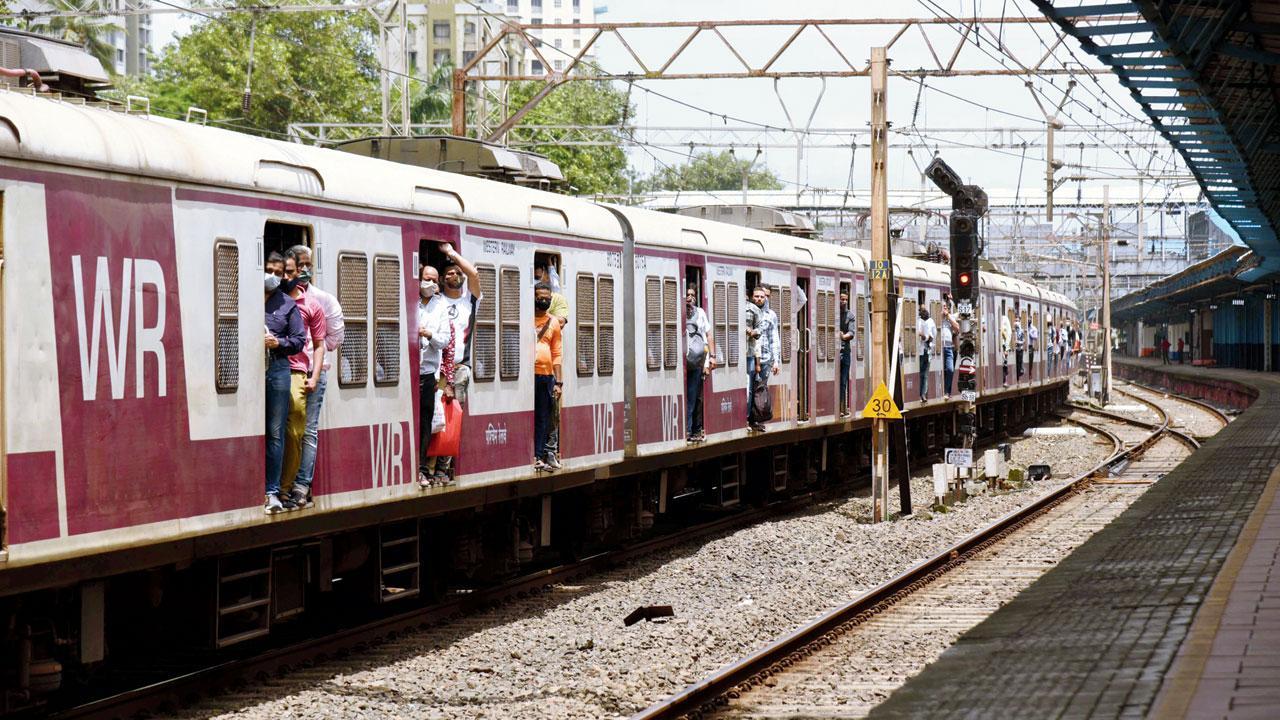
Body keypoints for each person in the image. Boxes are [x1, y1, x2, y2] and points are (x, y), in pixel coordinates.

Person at [283, 245, 343, 509]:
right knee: (287, 429)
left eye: (309, 264)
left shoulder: (322, 300)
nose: (305, 270)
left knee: (307, 429)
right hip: (286, 370)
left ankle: (301, 484)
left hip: (313, 372)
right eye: (301, 265)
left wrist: (313, 353)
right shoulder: (283, 298)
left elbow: (334, 337)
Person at [277, 254, 326, 507]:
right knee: (278, 431)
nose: (285, 277)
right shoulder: (271, 301)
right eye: (282, 272)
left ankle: (292, 486)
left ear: (298, 273)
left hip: (299, 372)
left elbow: (320, 344)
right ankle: (279, 488)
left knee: (298, 431)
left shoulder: (313, 305)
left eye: (289, 272)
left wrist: (315, 376)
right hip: (276, 369)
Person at [433, 243, 482, 479]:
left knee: (452, 417)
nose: (455, 275)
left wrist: (451, 253)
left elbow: (474, 273)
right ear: (442, 280)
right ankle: (429, 465)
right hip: (436, 368)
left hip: (460, 368)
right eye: (449, 273)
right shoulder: (436, 302)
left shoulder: (469, 302)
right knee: (434, 416)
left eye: (457, 272)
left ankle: (443, 466)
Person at [264, 272, 306, 514]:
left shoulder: (287, 304)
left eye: (277, 271)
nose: (271, 275)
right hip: (249, 368)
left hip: (278, 367)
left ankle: (272, 490)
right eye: (268, 268)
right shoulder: (243, 297)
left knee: (276, 431)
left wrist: (278, 343)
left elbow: (299, 340)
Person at [417, 264, 452, 487]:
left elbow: (444, 340)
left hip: (427, 372)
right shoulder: (411, 300)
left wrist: (429, 334)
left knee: (424, 422)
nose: (428, 283)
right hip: (407, 371)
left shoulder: (441, 307)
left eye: (433, 279)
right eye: (425, 278)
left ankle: (421, 468)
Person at [534, 262, 568, 464]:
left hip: (546, 375)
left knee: (544, 417)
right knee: (534, 416)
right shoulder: (525, 318)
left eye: (547, 299)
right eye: (540, 298)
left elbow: (557, 353)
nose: (544, 301)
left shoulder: (553, 322)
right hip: (528, 376)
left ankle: (539, 454)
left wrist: (558, 382)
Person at [745, 286, 780, 432]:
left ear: (766, 298)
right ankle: (748, 419)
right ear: (753, 296)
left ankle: (755, 419)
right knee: (749, 389)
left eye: (763, 296)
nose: (760, 299)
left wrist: (776, 360)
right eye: (757, 296)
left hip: (765, 358)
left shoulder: (771, 315)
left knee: (759, 390)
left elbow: (774, 339)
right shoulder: (749, 312)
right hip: (751, 355)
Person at [684, 284, 716, 442]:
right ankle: (689, 430)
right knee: (689, 397)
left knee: (693, 396)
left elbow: (708, 336)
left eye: (691, 294)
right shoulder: (677, 310)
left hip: (696, 361)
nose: (689, 297)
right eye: (686, 295)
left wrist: (711, 357)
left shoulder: (700, 313)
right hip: (681, 362)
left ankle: (690, 430)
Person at [838, 292, 856, 415]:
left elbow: (852, 332)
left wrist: (843, 336)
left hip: (845, 351)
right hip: (835, 351)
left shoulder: (850, 315)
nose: (844, 302)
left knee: (843, 381)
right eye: (842, 299)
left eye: (846, 299)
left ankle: (842, 407)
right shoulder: (833, 313)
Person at [940, 294, 959, 399]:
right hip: (938, 348)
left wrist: (948, 317)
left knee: (950, 369)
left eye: (946, 307)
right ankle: (942, 390)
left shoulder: (950, 317)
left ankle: (948, 391)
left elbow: (957, 328)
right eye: (943, 307)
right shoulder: (937, 317)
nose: (945, 309)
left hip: (948, 347)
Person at [917, 306, 936, 401]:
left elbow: (933, 334)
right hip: (919, 350)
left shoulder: (931, 321)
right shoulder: (918, 321)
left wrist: (927, 337)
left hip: (927, 350)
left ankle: (923, 394)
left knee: (925, 374)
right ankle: (919, 394)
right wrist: (922, 336)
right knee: (920, 373)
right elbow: (917, 333)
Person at [999, 310, 1012, 386]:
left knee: (1004, 363)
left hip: (1003, 345)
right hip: (997, 344)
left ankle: (1005, 380)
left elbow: (1009, 333)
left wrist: (1007, 347)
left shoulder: (1005, 319)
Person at [1013, 307, 1025, 380]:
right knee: (1016, 363)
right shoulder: (1013, 329)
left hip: (1020, 348)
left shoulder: (1021, 330)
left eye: (1018, 320)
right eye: (1016, 320)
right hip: (1015, 349)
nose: (1017, 322)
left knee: (1020, 361)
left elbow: (1024, 340)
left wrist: (1019, 342)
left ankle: (1020, 371)